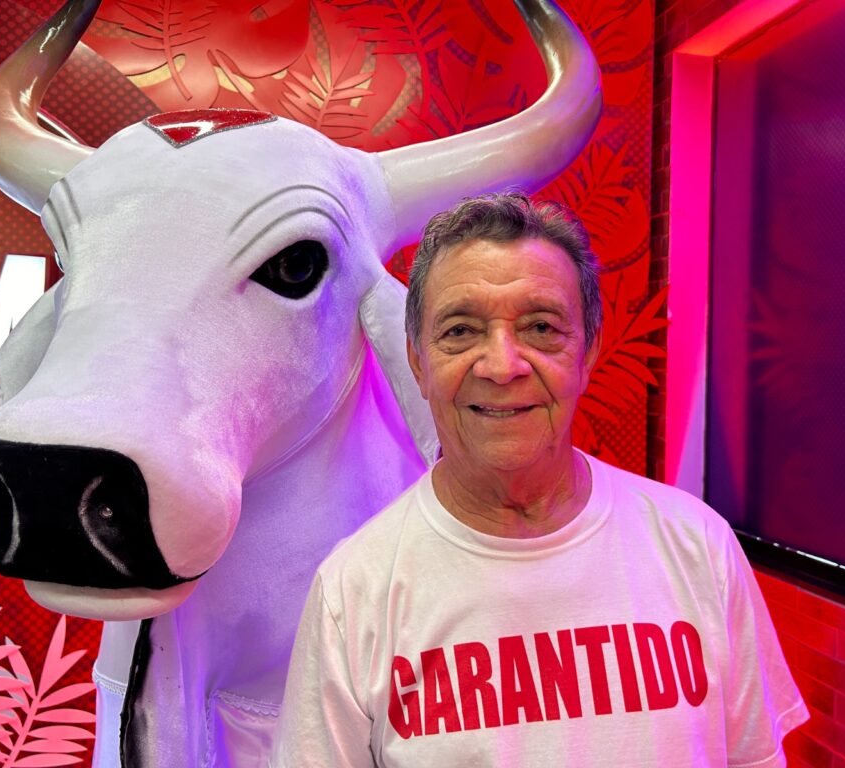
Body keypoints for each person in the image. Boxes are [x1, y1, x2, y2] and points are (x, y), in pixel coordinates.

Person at [270, 192, 808, 767]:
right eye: (460, 330)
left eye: (541, 327)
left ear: (587, 352)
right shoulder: (354, 593)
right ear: (419, 361)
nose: (503, 366)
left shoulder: (699, 547)